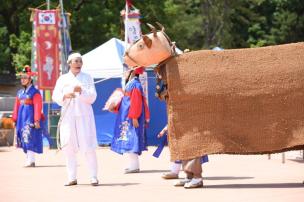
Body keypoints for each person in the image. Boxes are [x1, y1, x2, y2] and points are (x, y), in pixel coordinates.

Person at [52, 52, 99, 186]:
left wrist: (82, 91)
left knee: (88, 146)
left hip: (84, 116)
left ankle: (93, 176)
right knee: (68, 146)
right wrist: (65, 95)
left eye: (80, 61)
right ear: (69, 63)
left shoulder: (88, 78)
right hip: (68, 116)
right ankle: (72, 177)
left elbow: (93, 97)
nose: (78, 63)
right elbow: (56, 95)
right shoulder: (62, 79)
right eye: (76, 61)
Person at [111, 66, 150, 174]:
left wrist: (134, 116)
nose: (124, 72)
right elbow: (126, 100)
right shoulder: (131, 83)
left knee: (132, 139)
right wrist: (115, 107)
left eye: (126, 70)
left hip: (132, 116)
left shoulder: (135, 84)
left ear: (132, 72)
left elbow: (136, 101)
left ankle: (134, 166)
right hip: (128, 115)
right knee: (130, 138)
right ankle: (133, 165)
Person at [12, 65, 43, 167]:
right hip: (21, 118)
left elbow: (38, 106)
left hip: (30, 117)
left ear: (30, 79)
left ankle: (31, 160)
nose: (23, 79)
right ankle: (28, 159)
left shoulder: (35, 92)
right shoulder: (20, 93)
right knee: (22, 136)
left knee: (28, 136)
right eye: (22, 77)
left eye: (25, 77)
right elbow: (16, 106)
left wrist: (37, 120)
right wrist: (14, 119)